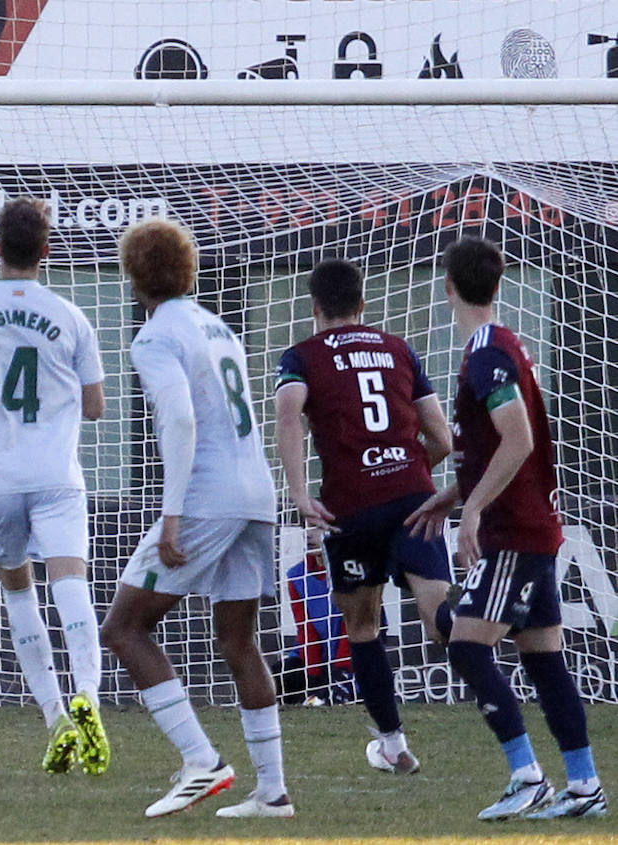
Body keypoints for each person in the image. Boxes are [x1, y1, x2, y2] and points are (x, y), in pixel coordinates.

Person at [407, 236, 606, 819]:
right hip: (531, 523)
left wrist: (471, 510)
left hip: (513, 529)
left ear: (449, 288)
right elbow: (493, 447)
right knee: (543, 659)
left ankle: (527, 775)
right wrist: (452, 495)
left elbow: (516, 438)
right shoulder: (502, 343)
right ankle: (585, 786)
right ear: (498, 285)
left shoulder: (489, 352)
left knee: (462, 641)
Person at [100, 218, 293, 819]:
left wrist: (172, 515)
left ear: (135, 274)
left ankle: (202, 761)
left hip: (206, 496)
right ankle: (273, 793)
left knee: (123, 630)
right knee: (238, 640)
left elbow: (181, 421)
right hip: (255, 492)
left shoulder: (155, 335)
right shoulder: (218, 326)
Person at [0, 196, 110, 776]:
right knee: (70, 579)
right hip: (55, 473)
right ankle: (89, 695)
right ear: (47, 250)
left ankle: (55, 715)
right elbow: (97, 406)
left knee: (17, 589)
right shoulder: (71, 315)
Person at [273, 258, 455, 774]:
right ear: (363, 304)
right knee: (440, 617)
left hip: (348, 508)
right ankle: (497, 618)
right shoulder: (398, 350)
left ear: (315, 308)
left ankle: (393, 743)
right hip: (412, 498)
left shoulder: (301, 357)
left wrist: (300, 494)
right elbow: (441, 437)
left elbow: (289, 417)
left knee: (362, 625)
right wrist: (407, 471)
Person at [270, 528, 355, 707]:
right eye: (307, 526)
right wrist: (314, 677)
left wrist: (342, 672)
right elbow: (306, 631)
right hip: (318, 659)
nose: (308, 534)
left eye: (318, 527)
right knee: (276, 677)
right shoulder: (297, 576)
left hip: (354, 657)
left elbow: (356, 628)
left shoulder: (353, 569)